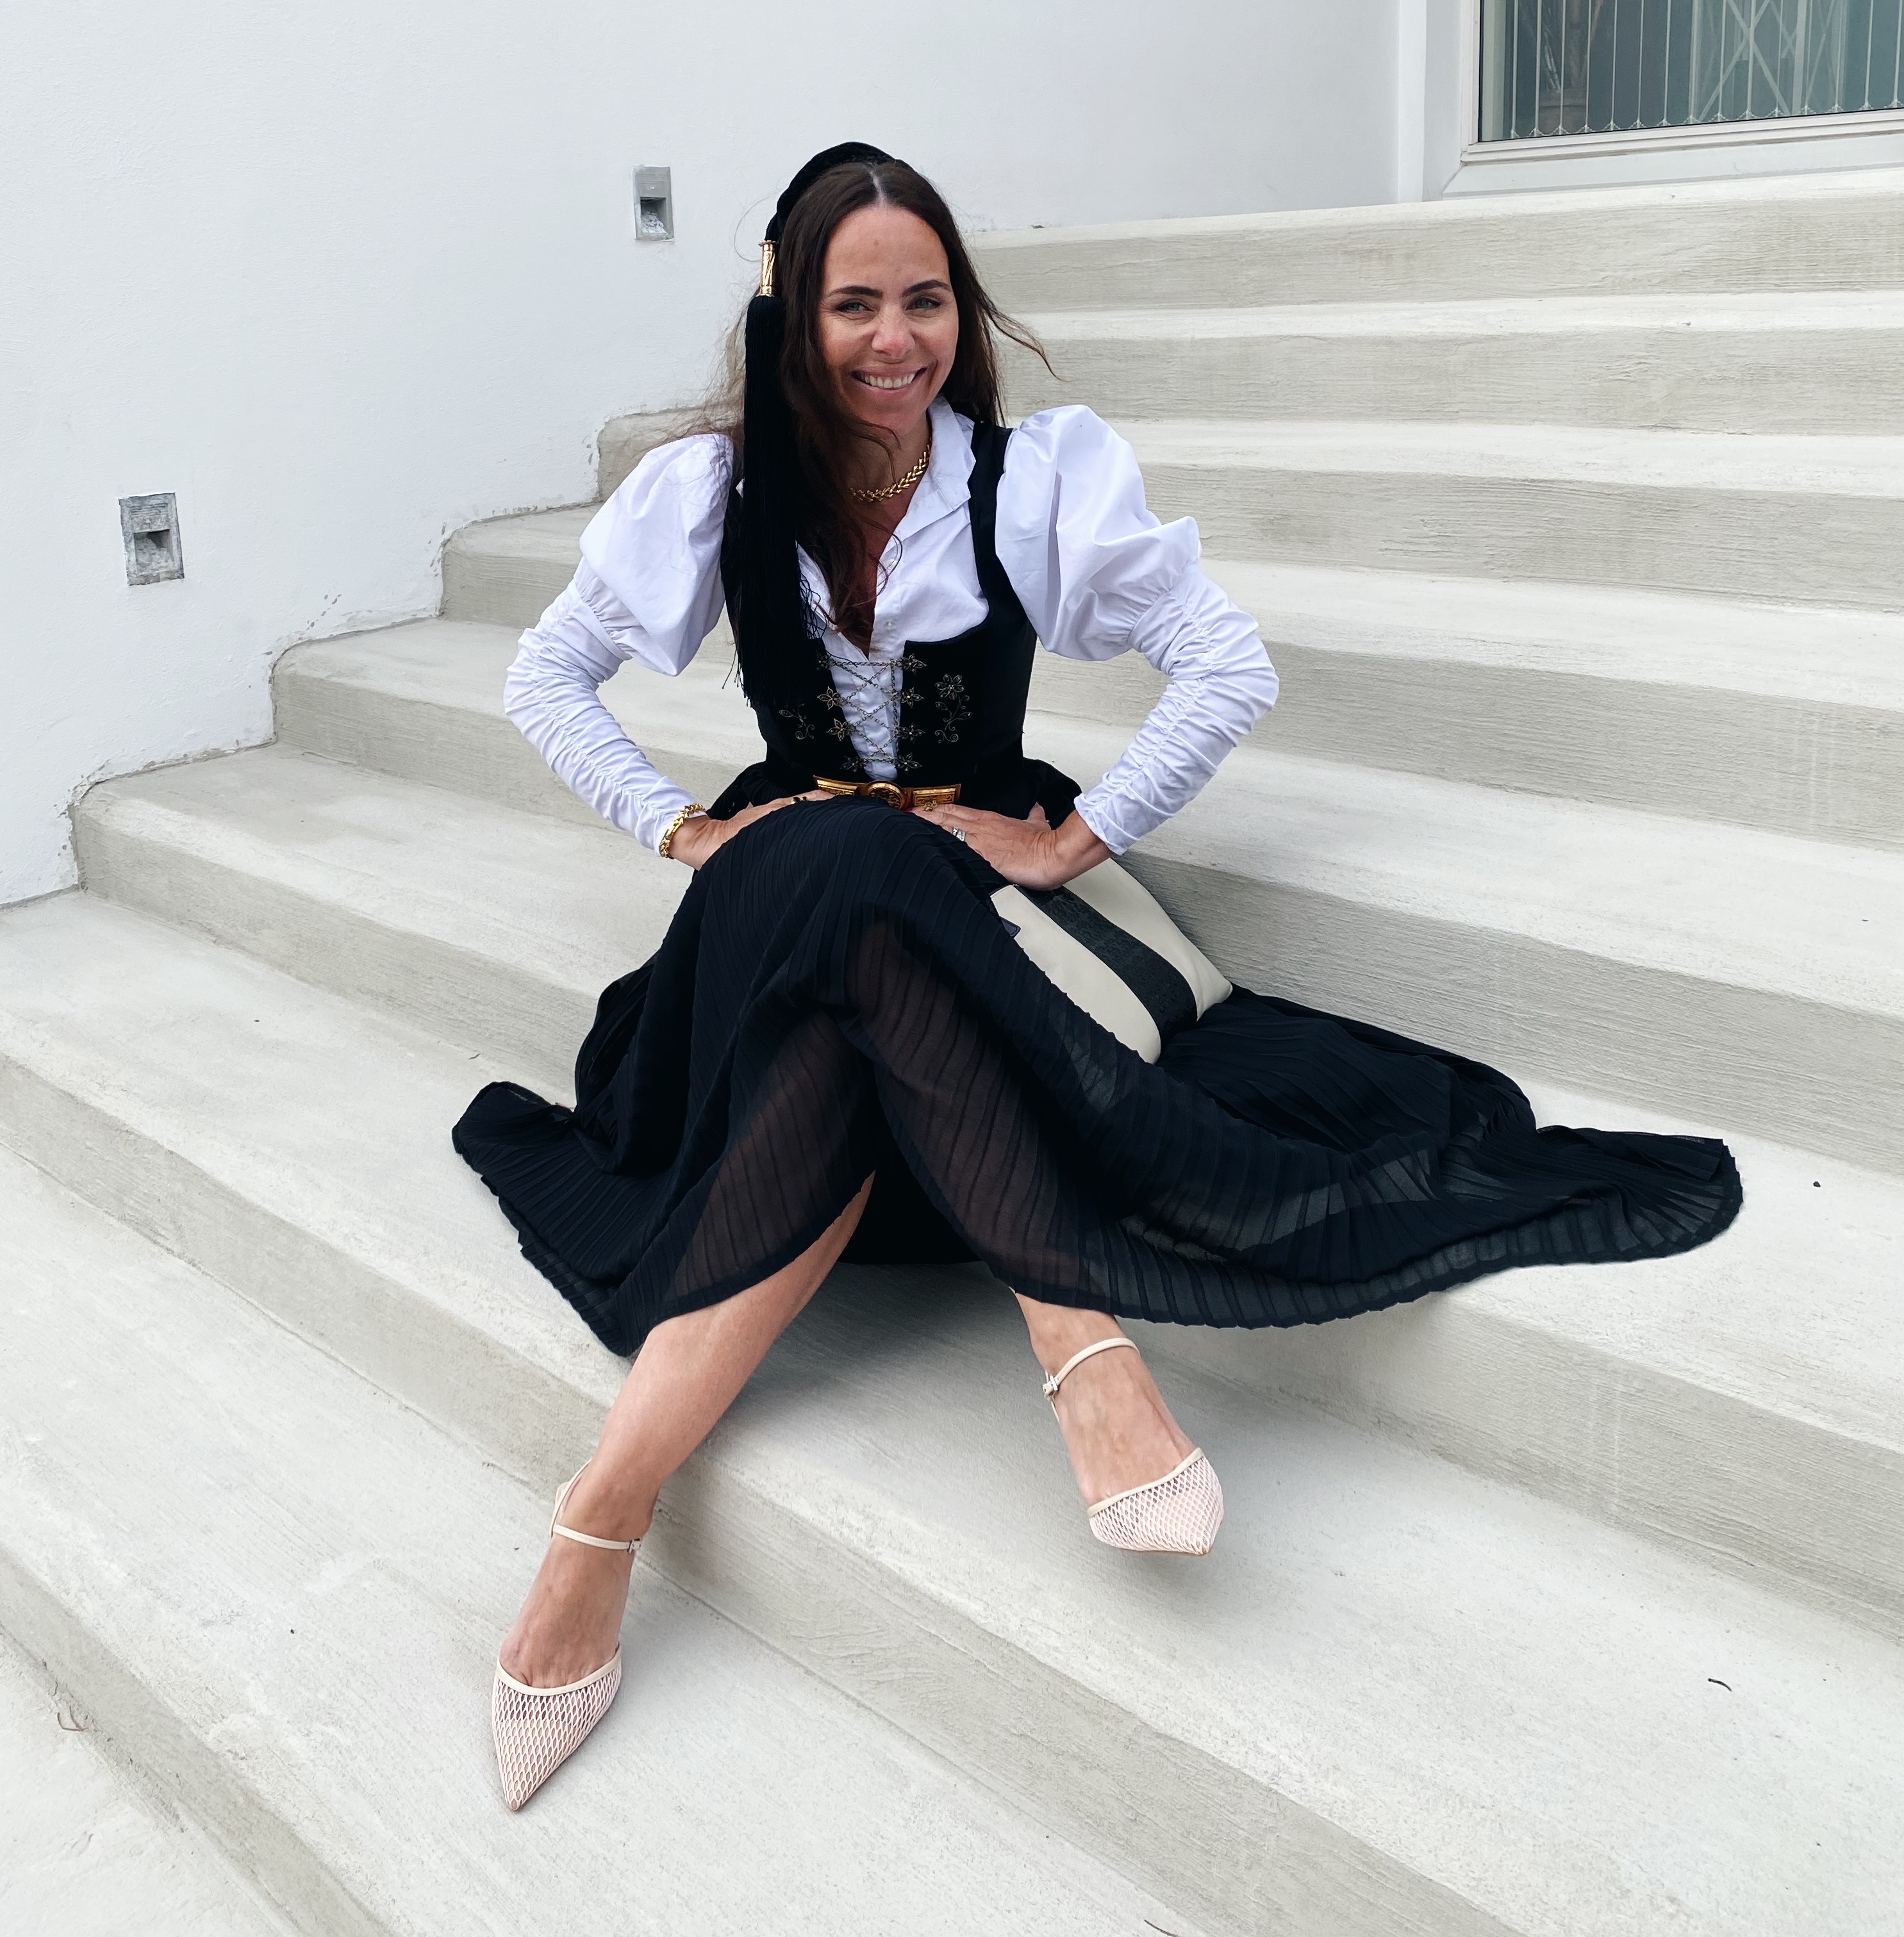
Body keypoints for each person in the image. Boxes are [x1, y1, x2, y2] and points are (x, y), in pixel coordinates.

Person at [456, 144, 1741, 1811]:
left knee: (868, 943)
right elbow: (545, 677)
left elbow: (1225, 663)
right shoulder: (713, 495)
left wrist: (1076, 838)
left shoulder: (1031, 480)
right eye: (856, 303)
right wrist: (683, 829)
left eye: (928, 299)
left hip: (959, 909)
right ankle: (1075, 1334)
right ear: (790, 315)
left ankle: (603, 1512)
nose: (898, 338)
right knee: (837, 862)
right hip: (772, 897)